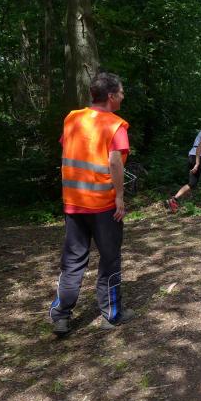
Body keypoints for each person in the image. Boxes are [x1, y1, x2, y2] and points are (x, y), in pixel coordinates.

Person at [50, 72, 135, 336]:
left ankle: (61, 316)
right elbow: (114, 163)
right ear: (111, 96)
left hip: (74, 203)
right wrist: (119, 197)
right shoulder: (116, 126)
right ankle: (111, 314)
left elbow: (69, 149)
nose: (123, 96)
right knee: (110, 259)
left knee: (73, 261)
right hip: (103, 206)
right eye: (121, 92)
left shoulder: (72, 118)